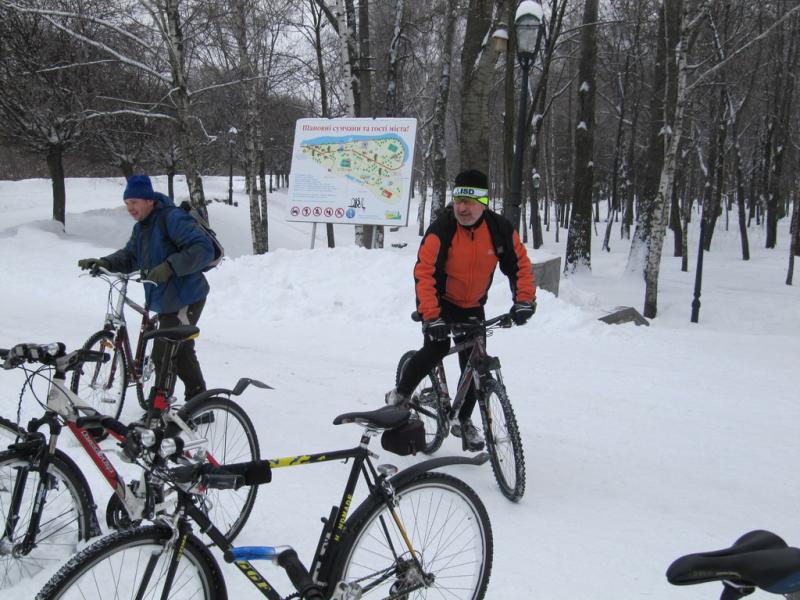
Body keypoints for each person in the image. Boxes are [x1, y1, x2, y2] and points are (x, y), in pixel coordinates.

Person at [386, 168, 536, 451]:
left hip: (472, 305)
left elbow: (519, 265)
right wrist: (432, 317)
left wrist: (524, 300)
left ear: (483, 203)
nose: (462, 208)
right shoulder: (441, 229)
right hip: (441, 305)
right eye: (458, 201)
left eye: (469, 202)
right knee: (436, 349)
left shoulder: (499, 229)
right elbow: (424, 272)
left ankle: (463, 420)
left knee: (475, 362)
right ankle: (402, 393)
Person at [78, 174, 214, 401]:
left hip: (186, 296)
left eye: (134, 202)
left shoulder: (172, 218)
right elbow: (130, 255)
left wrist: (170, 266)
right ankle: (199, 402)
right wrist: (106, 262)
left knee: (164, 354)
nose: (130, 208)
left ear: (149, 200)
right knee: (180, 350)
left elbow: (203, 248)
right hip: (166, 298)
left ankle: (158, 409)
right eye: (127, 203)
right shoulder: (142, 228)